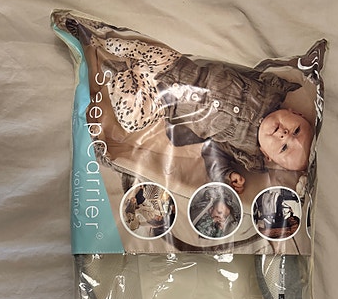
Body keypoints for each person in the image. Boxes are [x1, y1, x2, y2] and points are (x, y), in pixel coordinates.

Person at [59, 15, 313, 194]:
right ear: (295, 112)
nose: (284, 134)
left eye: (283, 147)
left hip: (163, 101)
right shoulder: (272, 92)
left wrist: (225, 175)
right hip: (176, 66)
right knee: (131, 47)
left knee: (132, 120)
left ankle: (116, 72)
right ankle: (99, 40)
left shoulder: (247, 152)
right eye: (296, 130)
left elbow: (214, 152)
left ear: (268, 156)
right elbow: (259, 67)